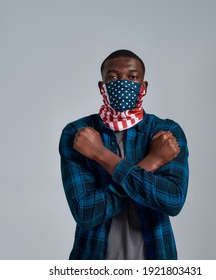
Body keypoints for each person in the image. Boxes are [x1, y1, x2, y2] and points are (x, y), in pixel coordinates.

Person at [59, 49, 189, 260]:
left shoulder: (166, 133)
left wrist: (101, 154)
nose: (122, 83)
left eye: (132, 77)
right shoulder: (78, 134)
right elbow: (86, 212)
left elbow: (172, 200)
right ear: (102, 87)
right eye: (112, 77)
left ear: (143, 87)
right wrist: (152, 162)